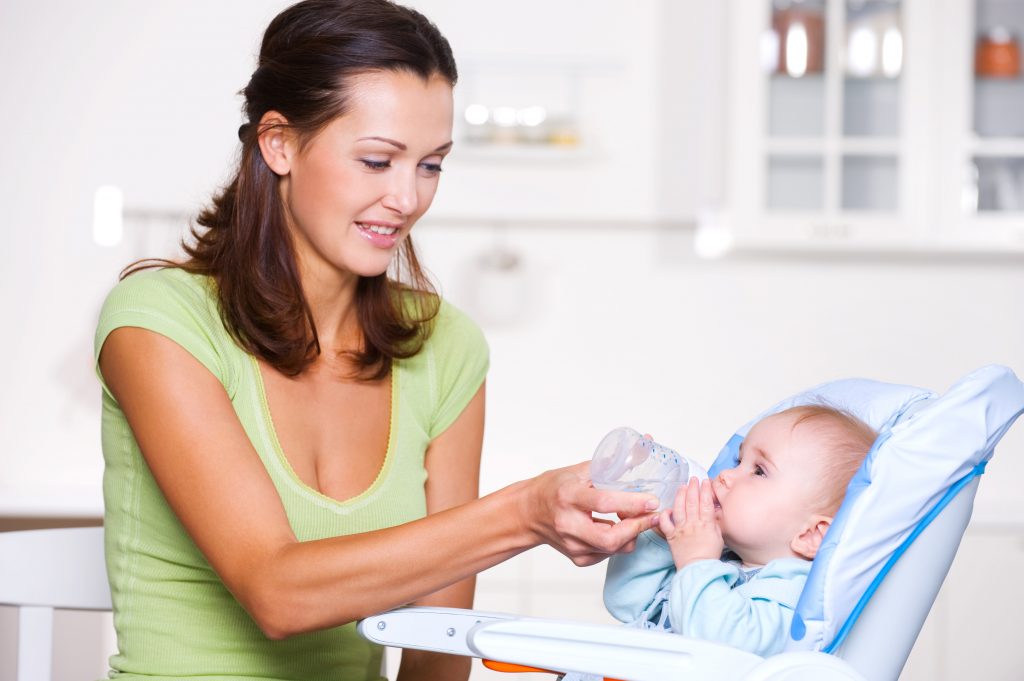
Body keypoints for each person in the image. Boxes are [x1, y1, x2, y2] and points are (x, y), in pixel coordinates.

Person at [93, 1, 658, 679]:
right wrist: (527, 512)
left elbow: (440, 646)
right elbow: (276, 591)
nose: (407, 198)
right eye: (376, 159)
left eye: (430, 165)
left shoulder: (445, 346)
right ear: (279, 143)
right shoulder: (159, 321)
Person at [602, 405, 877, 657]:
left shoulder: (796, 599)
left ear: (811, 535)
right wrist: (661, 540)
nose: (725, 475)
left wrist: (696, 562)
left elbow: (722, 648)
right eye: (738, 460)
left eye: (759, 471)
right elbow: (625, 602)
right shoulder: (719, 557)